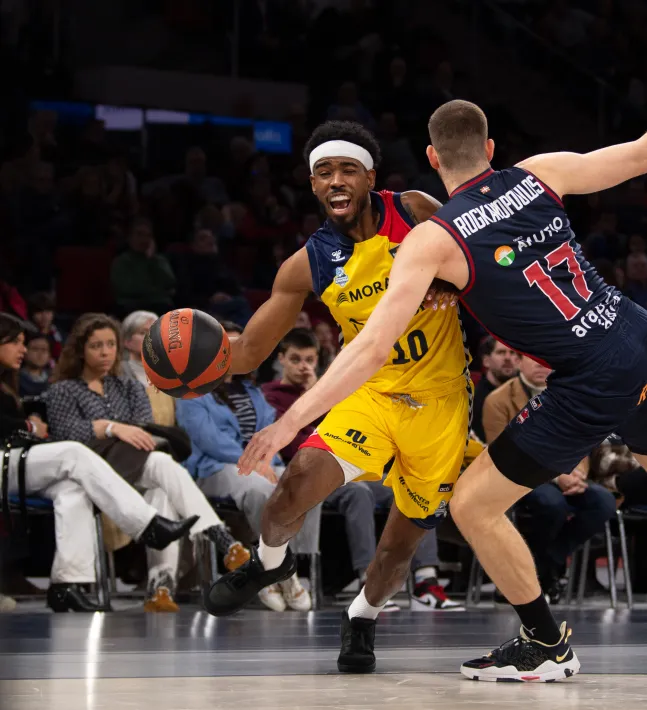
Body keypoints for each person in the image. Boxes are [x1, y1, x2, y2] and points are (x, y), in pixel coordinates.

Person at [238, 42, 647, 684]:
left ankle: (546, 643)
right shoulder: (537, 172)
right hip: (637, 332)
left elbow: (371, 347)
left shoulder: (433, 240)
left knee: (472, 507)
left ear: (434, 159)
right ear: (491, 149)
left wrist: (287, 422)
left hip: (589, 375)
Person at [199, 120, 468, 674]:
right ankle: (271, 564)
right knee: (293, 485)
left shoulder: (416, 210)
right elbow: (248, 352)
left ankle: (363, 618)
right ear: (313, 185)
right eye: (324, 172)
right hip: (368, 395)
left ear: (370, 176)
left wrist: (455, 275)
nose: (336, 180)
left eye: (347, 169)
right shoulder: (307, 264)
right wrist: (183, 367)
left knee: (396, 551)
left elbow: (483, 255)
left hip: (440, 403)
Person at [41, 313, 250, 611]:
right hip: (91, 473)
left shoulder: (127, 387)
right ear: (80, 350)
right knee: (161, 465)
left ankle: (160, 587)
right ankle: (222, 539)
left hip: (132, 467)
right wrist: (112, 427)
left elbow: (143, 429)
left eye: (110, 344)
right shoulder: (63, 390)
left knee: (161, 489)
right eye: (96, 345)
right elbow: (66, 434)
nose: (104, 352)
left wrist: (108, 429)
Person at [0, 314, 195, 612]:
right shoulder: (59, 389)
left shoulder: (8, 382)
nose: (23, 350)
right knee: (74, 453)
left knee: (72, 490)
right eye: (15, 342)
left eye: (23, 343)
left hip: (17, 461)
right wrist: (28, 427)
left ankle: (67, 584)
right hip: (6, 461)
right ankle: (147, 524)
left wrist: (29, 424)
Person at [260, 328, 463, 611]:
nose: (304, 366)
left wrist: (320, 393)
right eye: (296, 359)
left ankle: (425, 583)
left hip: (351, 466)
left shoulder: (333, 392)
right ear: (281, 359)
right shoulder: (269, 396)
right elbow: (295, 448)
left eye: (310, 359)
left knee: (411, 489)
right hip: (306, 474)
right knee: (358, 494)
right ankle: (366, 583)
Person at [177, 321, 319, 612]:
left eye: (239, 346)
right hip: (215, 468)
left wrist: (266, 460)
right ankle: (271, 573)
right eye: (227, 347)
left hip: (260, 463)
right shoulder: (191, 391)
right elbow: (210, 441)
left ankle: (293, 566)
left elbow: (271, 431)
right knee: (258, 489)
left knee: (308, 484)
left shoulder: (252, 391)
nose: (234, 353)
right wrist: (254, 463)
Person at [481, 354, 617, 602]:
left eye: (546, 360)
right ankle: (544, 574)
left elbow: (582, 443)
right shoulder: (497, 400)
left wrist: (577, 475)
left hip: (565, 475)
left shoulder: (569, 396)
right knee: (552, 504)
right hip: (516, 479)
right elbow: (502, 454)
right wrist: (557, 477)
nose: (542, 365)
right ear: (520, 362)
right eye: (534, 359)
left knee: (603, 503)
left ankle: (543, 565)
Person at [471, 338, 519, 442]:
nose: (508, 358)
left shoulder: (529, 392)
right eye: (501, 352)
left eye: (512, 352)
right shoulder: (474, 400)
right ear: (486, 361)